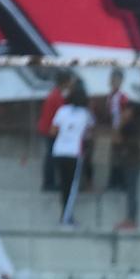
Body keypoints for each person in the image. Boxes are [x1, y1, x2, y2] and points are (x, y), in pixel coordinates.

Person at [51, 83, 94, 227]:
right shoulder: (86, 114)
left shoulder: (62, 110)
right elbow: (89, 133)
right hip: (74, 153)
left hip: (59, 151)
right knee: (72, 187)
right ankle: (66, 217)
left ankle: (64, 214)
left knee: (63, 184)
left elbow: (53, 130)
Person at [111, 101, 140, 231]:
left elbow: (117, 139)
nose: (123, 112)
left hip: (132, 162)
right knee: (131, 190)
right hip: (131, 161)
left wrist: (119, 124)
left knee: (132, 191)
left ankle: (131, 219)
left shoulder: (130, 126)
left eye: (126, 110)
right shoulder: (134, 125)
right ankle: (130, 218)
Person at [37, 71, 73, 191]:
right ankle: (49, 183)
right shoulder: (57, 97)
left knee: (50, 156)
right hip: (49, 131)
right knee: (51, 157)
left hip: (48, 129)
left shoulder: (56, 94)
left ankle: (49, 182)